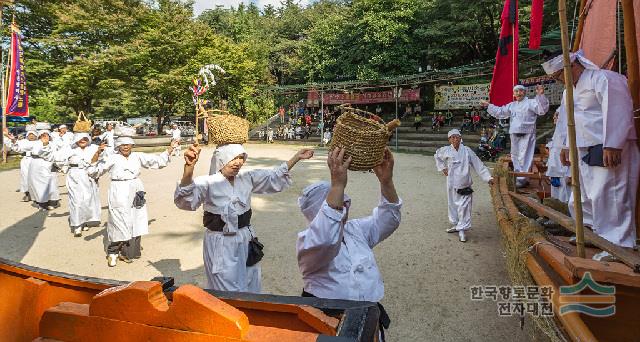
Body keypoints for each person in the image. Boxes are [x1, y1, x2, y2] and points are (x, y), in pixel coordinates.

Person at [175, 143, 314, 292]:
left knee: (251, 281)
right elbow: (186, 199)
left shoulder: (247, 177)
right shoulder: (209, 182)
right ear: (221, 159)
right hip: (221, 243)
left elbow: (273, 176)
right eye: (233, 158)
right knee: (227, 289)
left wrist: (296, 157)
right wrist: (189, 168)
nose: (238, 163)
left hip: (245, 239)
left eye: (241, 158)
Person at [542, 50, 640, 256]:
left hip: (607, 146)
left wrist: (613, 143)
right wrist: (564, 146)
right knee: (584, 194)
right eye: (555, 77)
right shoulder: (570, 91)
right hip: (581, 147)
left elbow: (617, 109)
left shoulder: (604, 78)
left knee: (609, 195)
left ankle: (617, 243)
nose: (558, 80)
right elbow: (565, 121)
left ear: (571, 66)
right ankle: (590, 232)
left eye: (558, 75)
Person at [296, 147, 400, 340]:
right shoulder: (308, 241)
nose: (342, 208)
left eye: (343, 202)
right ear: (318, 213)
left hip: (368, 317)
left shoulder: (355, 229)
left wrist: (386, 182)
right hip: (329, 324)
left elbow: (388, 220)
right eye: (337, 203)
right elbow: (326, 237)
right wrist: (337, 186)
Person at [88, 137, 176, 267]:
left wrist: (170, 149)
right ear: (118, 146)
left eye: (127, 144)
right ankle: (113, 252)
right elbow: (94, 171)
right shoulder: (112, 158)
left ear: (132, 145)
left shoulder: (137, 156)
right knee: (119, 221)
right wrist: (97, 154)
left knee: (136, 220)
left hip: (135, 188)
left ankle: (128, 251)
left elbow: (156, 161)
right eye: (122, 145)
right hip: (118, 190)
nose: (125, 147)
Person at [481, 84, 549, 188]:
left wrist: (540, 95)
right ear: (514, 94)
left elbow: (542, 110)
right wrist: (488, 105)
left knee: (525, 156)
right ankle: (519, 177)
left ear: (524, 92)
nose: (518, 93)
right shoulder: (512, 105)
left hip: (527, 133)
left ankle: (523, 179)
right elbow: (500, 112)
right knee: (515, 156)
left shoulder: (531, 102)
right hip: (514, 133)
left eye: (520, 91)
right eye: (516, 91)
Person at [435, 129, 493, 242]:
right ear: (449, 139)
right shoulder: (445, 150)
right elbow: (436, 156)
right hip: (451, 183)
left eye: (457, 137)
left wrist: (488, 178)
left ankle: (462, 229)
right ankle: (456, 224)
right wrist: (442, 168)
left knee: (464, 207)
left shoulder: (467, 151)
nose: (455, 139)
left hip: (465, 183)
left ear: (460, 138)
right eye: (452, 137)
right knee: (452, 204)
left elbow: (478, 164)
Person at [58, 133, 101, 237]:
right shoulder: (69, 149)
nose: (82, 140)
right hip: (75, 176)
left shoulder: (94, 148)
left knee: (87, 199)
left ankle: (85, 220)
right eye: (80, 138)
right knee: (76, 200)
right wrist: (64, 167)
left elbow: (102, 159)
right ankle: (77, 225)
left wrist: (97, 172)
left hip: (89, 176)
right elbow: (58, 158)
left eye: (85, 138)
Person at [29, 130, 62, 210]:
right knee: (37, 184)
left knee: (51, 183)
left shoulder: (53, 144)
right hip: (36, 165)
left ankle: (53, 202)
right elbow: (20, 146)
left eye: (46, 134)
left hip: (48, 164)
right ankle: (41, 202)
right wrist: (11, 139)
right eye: (42, 135)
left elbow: (54, 154)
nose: (44, 136)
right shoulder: (34, 143)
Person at [545, 108, 570, 203]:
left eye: (557, 115)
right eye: (554, 115)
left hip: (563, 172)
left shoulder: (567, 133)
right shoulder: (556, 132)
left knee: (565, 196)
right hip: (554, 171)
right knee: (555, 197)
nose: (554, 117)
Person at [11, 130, 38, 202]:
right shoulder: (23, 142)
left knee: (36, 178)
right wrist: (13, 140)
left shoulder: (39, 142)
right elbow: (16, 148)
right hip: (26, 160)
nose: (31, 136)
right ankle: (27, 194)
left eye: (33, 135)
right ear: (27, 136)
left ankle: (37, 194)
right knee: (25, 177)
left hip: (36, 160)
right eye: (30, 135)